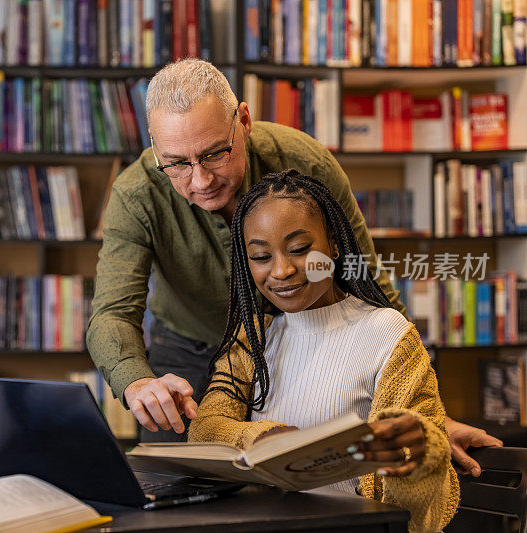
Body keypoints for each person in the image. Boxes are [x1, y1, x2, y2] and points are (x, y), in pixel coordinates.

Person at [86, 59, 501, 470]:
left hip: (289, 340)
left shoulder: (306, 163)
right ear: (156, 146)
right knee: (171, 487)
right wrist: (138, 382)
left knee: (305, 473)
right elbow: (112, 313)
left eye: (215, 153)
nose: (201, 180)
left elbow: (366, 277)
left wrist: (431, 416)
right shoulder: (135, 194)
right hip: (187, 349)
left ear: (243, 121)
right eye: (177, 163)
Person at [188, 169, 458, 532]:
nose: (281, 270)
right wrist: (261, 437)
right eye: (260, 256)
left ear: (333, 244)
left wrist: (419, 455)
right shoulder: (252, 337)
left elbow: (421, 506)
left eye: (299, 250)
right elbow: (205, 431)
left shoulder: (387, 332)